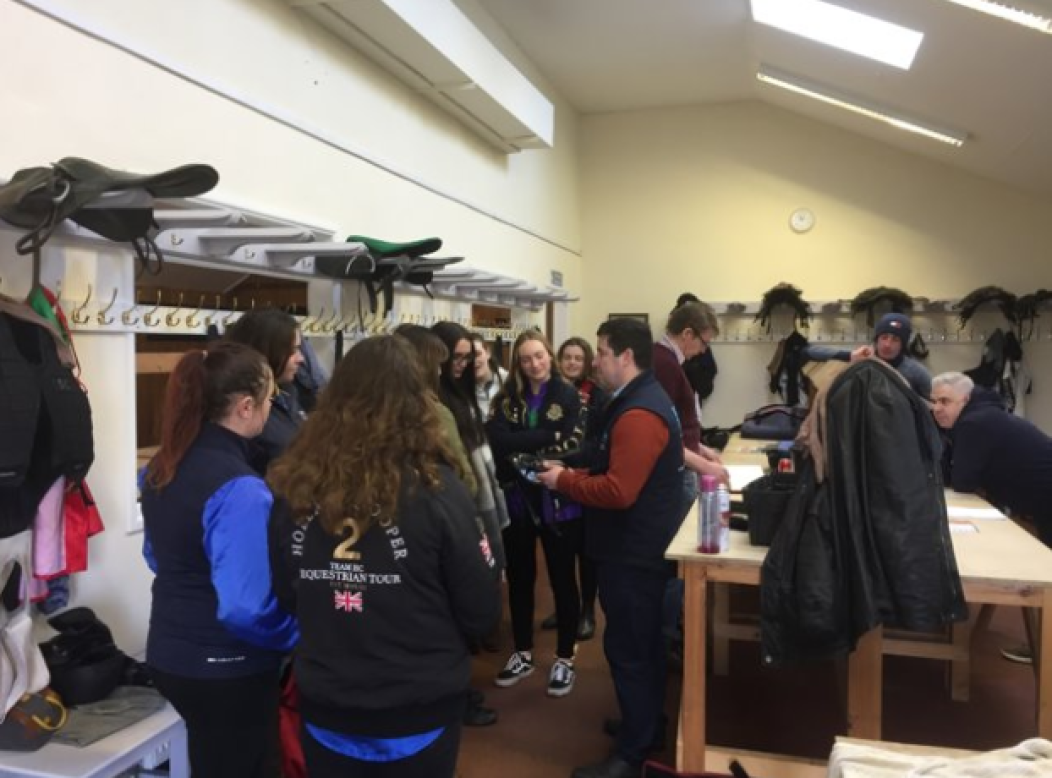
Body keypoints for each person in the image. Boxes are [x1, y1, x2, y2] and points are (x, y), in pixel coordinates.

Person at [267, 336, 502, 778]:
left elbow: (286, 594)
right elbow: (480, 610)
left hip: (329, 702)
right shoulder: (437, 490)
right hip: (417, 706)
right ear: (417, 401)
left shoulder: (293, 488)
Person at [141, 342, 299, 778]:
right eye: (270, 401)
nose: (272, 409)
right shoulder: (240, 489)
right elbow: (245, 608)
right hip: (227, 668)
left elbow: (157, 555)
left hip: (169, 652)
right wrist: (298, 635)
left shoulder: (162, 465)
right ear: (246, 407)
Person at [538, 318, 685, 778]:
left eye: (601, 352)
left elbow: (620, 490)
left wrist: (564, 481)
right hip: (638, 548)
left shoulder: (640, 413)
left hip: (635, 553)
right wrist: (571, 465)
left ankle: (632, 755)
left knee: (630, 648)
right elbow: (607, 458)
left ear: (625, 356)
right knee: (642, 646)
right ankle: (645, 726)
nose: (596, 360)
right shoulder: (633, 401)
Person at [486, 330, 586, 697]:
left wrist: (520, 447)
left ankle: (564, 657)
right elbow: (496, 440)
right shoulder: (507, 398)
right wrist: (542, 438)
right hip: (518, 500)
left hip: (558, 501)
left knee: (562, 579)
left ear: (550, 356)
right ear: (518, 363)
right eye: (526, 358)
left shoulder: (569, 394)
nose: (534, 364)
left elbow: (574, 444)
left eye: (539, 356)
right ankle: (523, 652)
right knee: (521, 577)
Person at [932, 371, 1052, 664]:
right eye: (934, 401)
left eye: (945, 401)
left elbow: (962, 480)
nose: (937, 408)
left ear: (966, 399)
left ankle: (1046, 655)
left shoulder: (975, 423)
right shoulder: (978, 417)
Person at [537, 336, 607, 640]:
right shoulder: (547, 393)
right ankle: (566, 606)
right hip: (552, 485)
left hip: (583, 479)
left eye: (579, 358)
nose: (572, 363)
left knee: (586, 552)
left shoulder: (599, 396)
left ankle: (587, 610)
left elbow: (598, 443)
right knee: (557, 552)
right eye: (567, 357)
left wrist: (565, 457)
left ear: (587, 361)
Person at [224, 308, 307, 472]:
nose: (301, 358)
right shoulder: (240, 413)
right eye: (292, 351)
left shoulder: (287, 393)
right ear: (267, 351)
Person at [806, 312, 931, 399]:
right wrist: (849, 356)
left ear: (903, 345)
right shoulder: (862, 358)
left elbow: (932, 406)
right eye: (884, 337)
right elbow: (809, 352)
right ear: (877, 339)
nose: (887, 344)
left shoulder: (916, 372)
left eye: (895, 339)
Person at [470, 333, 508, 418]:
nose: (474, 361)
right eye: (469, 357)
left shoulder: (508, 381)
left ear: (488, 353)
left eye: (477, 354)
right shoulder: (462, 389)